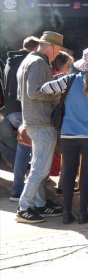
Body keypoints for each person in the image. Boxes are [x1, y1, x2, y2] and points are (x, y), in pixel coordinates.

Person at [41, 48, 88, 224]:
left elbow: (45, 89)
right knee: (87, 174)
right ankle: (83, 213)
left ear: (82, 65)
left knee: (69, 173)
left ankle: (67, 213)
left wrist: (59, 79)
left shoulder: (69, 80)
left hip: (69, 134)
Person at [15, 31, 67, 223]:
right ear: (52, 46)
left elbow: (22, 95)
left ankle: (39, 203)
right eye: (58, 49)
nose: (58, 53)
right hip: (41, 122)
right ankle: (24, 207)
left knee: (39, 166)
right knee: (40, 169)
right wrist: (57, 93)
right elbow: (34, 92)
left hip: (34, 121)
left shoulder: (28, 60)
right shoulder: (38, 62)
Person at [0, 35, 39, 177]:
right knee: (32, 147)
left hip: (8, 112)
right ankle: (30, 176)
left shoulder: (9, 61)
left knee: (11, 147)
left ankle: (20, 173)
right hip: (22, 110)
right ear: (35, 48)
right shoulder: (30, 62)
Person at [48, 50, 74, 180]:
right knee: (59, 149)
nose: (69, 69)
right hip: (58, 118)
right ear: (61, 64)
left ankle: (52, 175)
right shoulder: (59, 78)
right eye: (68, 65)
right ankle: (57, 177)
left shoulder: (49, 74)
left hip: (52, 117)